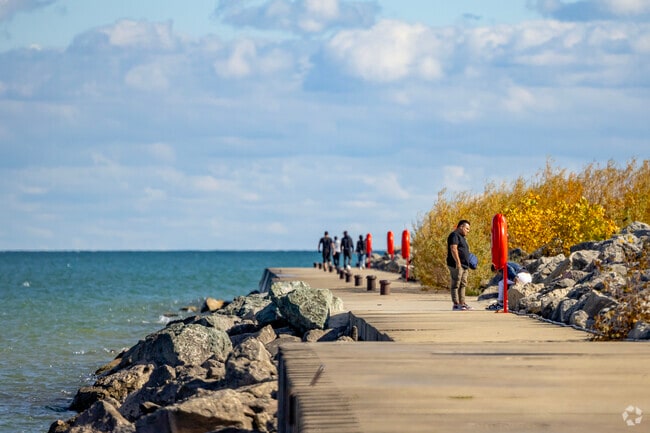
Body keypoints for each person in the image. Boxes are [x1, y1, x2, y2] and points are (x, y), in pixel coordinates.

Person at [446, 219, 473, 311]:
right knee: (456, 284)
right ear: (461, 227)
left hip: (465, 265)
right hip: (456, 265)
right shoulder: (454, 235)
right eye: (467, 228)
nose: (468, 231)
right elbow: (453, 249)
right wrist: (458, 262)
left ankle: (462, 303)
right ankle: (456, 304)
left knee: (463, 284)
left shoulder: (462, 237)